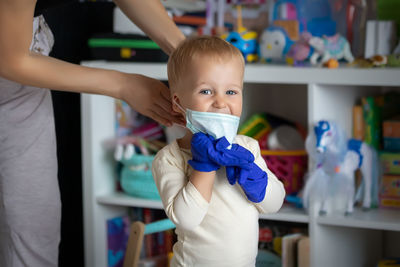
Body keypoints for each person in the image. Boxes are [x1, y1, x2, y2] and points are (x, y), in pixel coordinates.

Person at [0, 0, 185, 266]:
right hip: (15, 59)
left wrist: (186, 53)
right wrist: (123, 85)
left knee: (35, 223)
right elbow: (12, 60)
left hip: (22, 72)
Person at [151, 36, 285, 267]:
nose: (221, 103)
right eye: (206, 91)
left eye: (231, 92)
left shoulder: (247, 147)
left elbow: (274, 204)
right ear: (177, 102)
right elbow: (186, 219)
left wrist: (255, 177)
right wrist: (203, 166)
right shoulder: (169, 159)